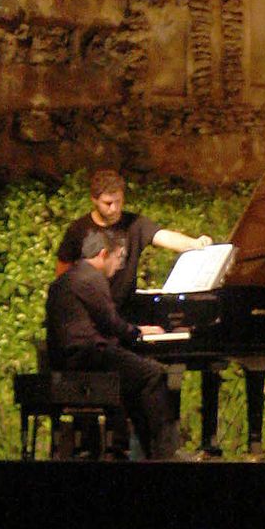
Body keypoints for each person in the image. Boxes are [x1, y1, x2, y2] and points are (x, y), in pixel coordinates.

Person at [45, 227, 183, 460]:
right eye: (118, 257)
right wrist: (139, 331)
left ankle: (133, 450)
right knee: (152, 374)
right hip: (89, 356)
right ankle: (162, 454)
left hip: (67, 359)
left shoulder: (65, 280)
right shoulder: (91, 278)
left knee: (134, 376)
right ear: (102, 254)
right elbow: (111, 323)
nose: (119, 266)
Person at [56, 167, 213, 306]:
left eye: (119, 201)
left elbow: (163, 236)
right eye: (108, 203)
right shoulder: (78, 229)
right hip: (91, 308)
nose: (114, 208)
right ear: (94, 199)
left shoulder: (134, 224)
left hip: (125, 306)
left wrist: (195, 243)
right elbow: (63, 271)